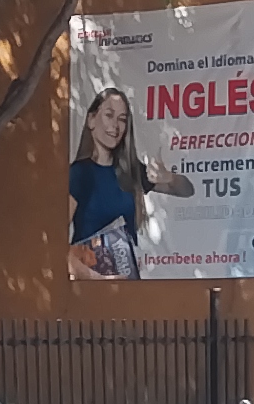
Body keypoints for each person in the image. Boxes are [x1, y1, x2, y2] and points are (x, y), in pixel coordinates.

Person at [68, 88, 195, 280]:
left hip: (127, 284)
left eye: (122, 119)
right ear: (91, 120)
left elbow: (186, 190)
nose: (115, 126)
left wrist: (168, 177)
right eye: (109, 115)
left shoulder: (131, 171)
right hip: (89, 288)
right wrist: (95, 278)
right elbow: (54, 242)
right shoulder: (78, 174)